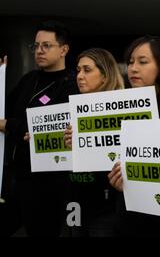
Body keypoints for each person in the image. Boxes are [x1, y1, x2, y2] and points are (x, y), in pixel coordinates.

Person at [0, 21, 79, 237]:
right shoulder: (29, 79)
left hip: (47, 183)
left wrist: (8, 126)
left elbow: (49, 127)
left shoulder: (71, 84)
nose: (39, 51)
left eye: (46, 45)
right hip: (15, 175)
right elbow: (5, 110)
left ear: (64, 49)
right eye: (35, 46)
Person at [106, 35, 160, 236]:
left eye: (142, 61)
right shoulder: (116, 108)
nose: (133, 68)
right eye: (130, 62)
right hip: (128, 217)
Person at [64, 48, 124, 237]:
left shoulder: (125, 111)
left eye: (87, 70)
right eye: (78, 70)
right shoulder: (72, 111)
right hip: (76, 203)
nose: (80, 76)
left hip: (108, 206)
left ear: (105, 76)